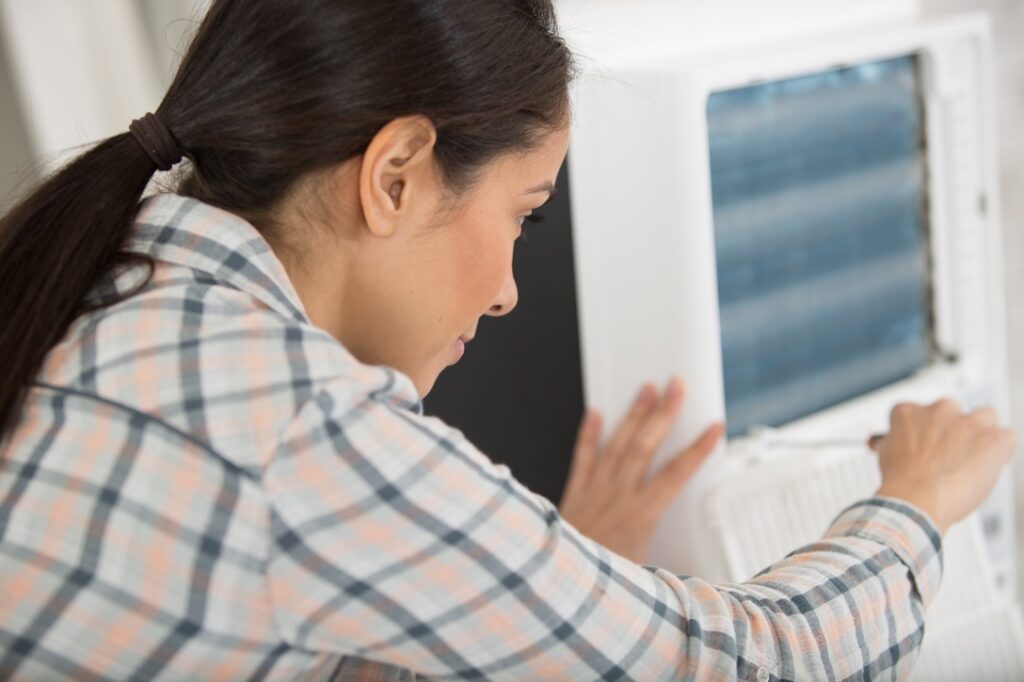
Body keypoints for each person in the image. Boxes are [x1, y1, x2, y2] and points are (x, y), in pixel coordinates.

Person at [0, 0, 1014, 679]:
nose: (506, 293)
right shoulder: (301, 432)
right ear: (394, 174)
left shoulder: (97, 279)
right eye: (521, 215)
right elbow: (751, 661)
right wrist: (915, 500)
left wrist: (538, 577)